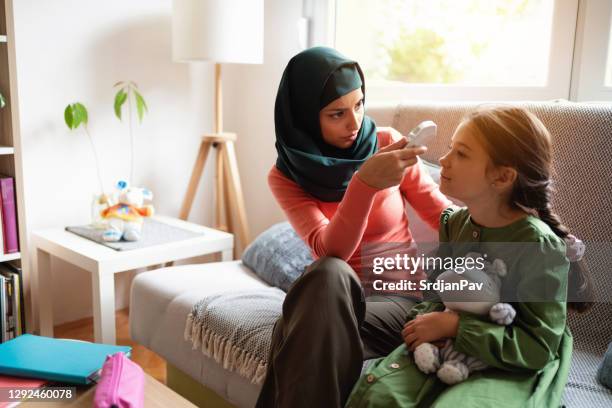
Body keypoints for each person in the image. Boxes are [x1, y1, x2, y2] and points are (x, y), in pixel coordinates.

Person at [346, 106, 593, 407]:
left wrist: (456, 328)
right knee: (380, 397)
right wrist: (424, 323)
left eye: (461, 154)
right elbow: (434, 295)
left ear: (502, 177)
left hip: (513, 359)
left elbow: (538, 346)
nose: (443, 160)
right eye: (450, 148)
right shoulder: (455, 224)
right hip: (444, 345)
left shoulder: (540, 247)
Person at [255, 46, 451, 408]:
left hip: (398, 299)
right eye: (337, 113)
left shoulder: (387, 144)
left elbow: (444, 218)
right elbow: (330, 250)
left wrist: (524, 230)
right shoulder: (286, 176)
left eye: (359, 104)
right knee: (328, 272)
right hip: (335, 297)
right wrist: (365, 184)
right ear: (304, 117)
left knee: (296, 332)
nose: (355, 122)